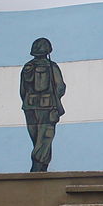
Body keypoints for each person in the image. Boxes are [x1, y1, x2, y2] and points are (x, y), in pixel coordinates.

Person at [20, 37, 66, 172]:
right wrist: (55, 99)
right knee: (44, 138)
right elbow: (60, 87)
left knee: (36, 138)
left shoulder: (27, 67)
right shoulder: (52, 67)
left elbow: (22, 90)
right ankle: (38, 167)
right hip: (47, 107)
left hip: (29, 106)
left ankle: (40, 165)